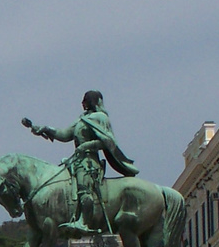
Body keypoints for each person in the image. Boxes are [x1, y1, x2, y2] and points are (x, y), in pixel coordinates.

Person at [22, 90, 140, 233]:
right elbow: (65, 135)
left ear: (91, 101)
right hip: (76, 160)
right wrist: (46, 129)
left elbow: (108, 142)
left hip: (89, 162)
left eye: (85, 100)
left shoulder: (101, 118)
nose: (82, 104)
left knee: (84, 188)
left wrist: (87, 145)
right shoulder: (82, 119)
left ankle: (84, 222)